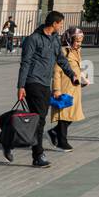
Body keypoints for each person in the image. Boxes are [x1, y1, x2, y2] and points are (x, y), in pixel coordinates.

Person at [12, 11, 79, 167]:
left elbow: (61, 59)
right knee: (40, 119)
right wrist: (21, 86)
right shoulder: (33, 39)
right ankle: (38, 155)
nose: (61, 26)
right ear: (54, 24)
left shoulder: (54, 40)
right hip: (32, 82)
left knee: (37, 117)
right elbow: (25, 63)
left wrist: (72, 75)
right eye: (60, 23)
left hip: (44, 84)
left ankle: (12, 141)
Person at [48, 26, 89, 151]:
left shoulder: (76, 51)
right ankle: (62, 141)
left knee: (72, 114)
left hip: (74, 87)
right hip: (64, 87)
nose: (78, 44)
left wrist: (83, 78)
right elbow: (56, 72)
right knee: (64, 115)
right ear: (69, 39)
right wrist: (56, 89)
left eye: (80, 41)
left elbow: (77, 68)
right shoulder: (63, 52)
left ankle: (54, 132)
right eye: (76, 41)